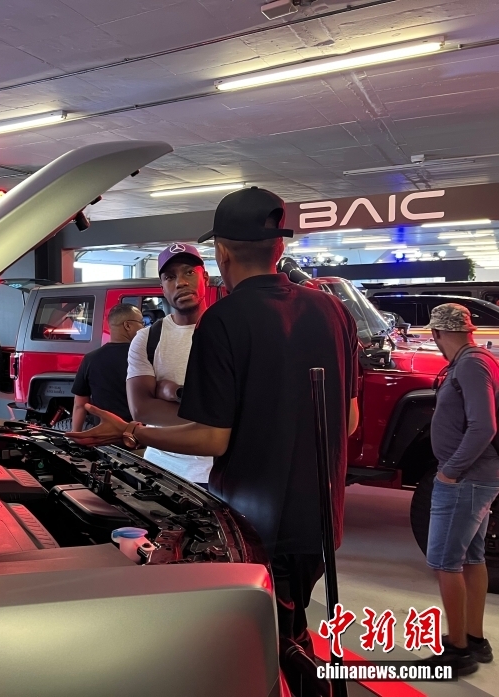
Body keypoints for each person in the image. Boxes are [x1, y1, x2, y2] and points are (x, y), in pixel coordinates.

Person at [69, 186, 359, 697]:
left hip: (255, 522)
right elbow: (350, 420)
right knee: (293, 631)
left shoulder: (223, 321)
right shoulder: (334, 311)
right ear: (279, 248)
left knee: (256, 648)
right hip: (320, 520)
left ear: (221, 254)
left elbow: (212, 438)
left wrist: (131, 432)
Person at [420, 303, 499, 675]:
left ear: (437, 334)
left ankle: (458, 650)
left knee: (444, 562)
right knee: (471, 557)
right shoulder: (476, 360)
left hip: (466, 479)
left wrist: (449, 472)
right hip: (476, 477)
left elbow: (484, 426)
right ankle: (474, 638)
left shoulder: (470, 364)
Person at [126, 243, 213, 486]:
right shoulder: (147, 338)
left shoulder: (230, 332)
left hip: (216, 474)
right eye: (170, 277)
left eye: (189, 272)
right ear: (162, 288)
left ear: (205, 278)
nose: (181, 282)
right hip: (160, 471)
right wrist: (213, 417)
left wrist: (168, 394)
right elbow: (141, 409)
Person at [71, 303, 143, 431]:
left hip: (103, 436)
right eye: (141, 323)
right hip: (138, 435)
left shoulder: (90, 359)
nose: (144, 327)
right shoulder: (145, 357)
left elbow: (80, 405)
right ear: (127, 325)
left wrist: (75, 435)